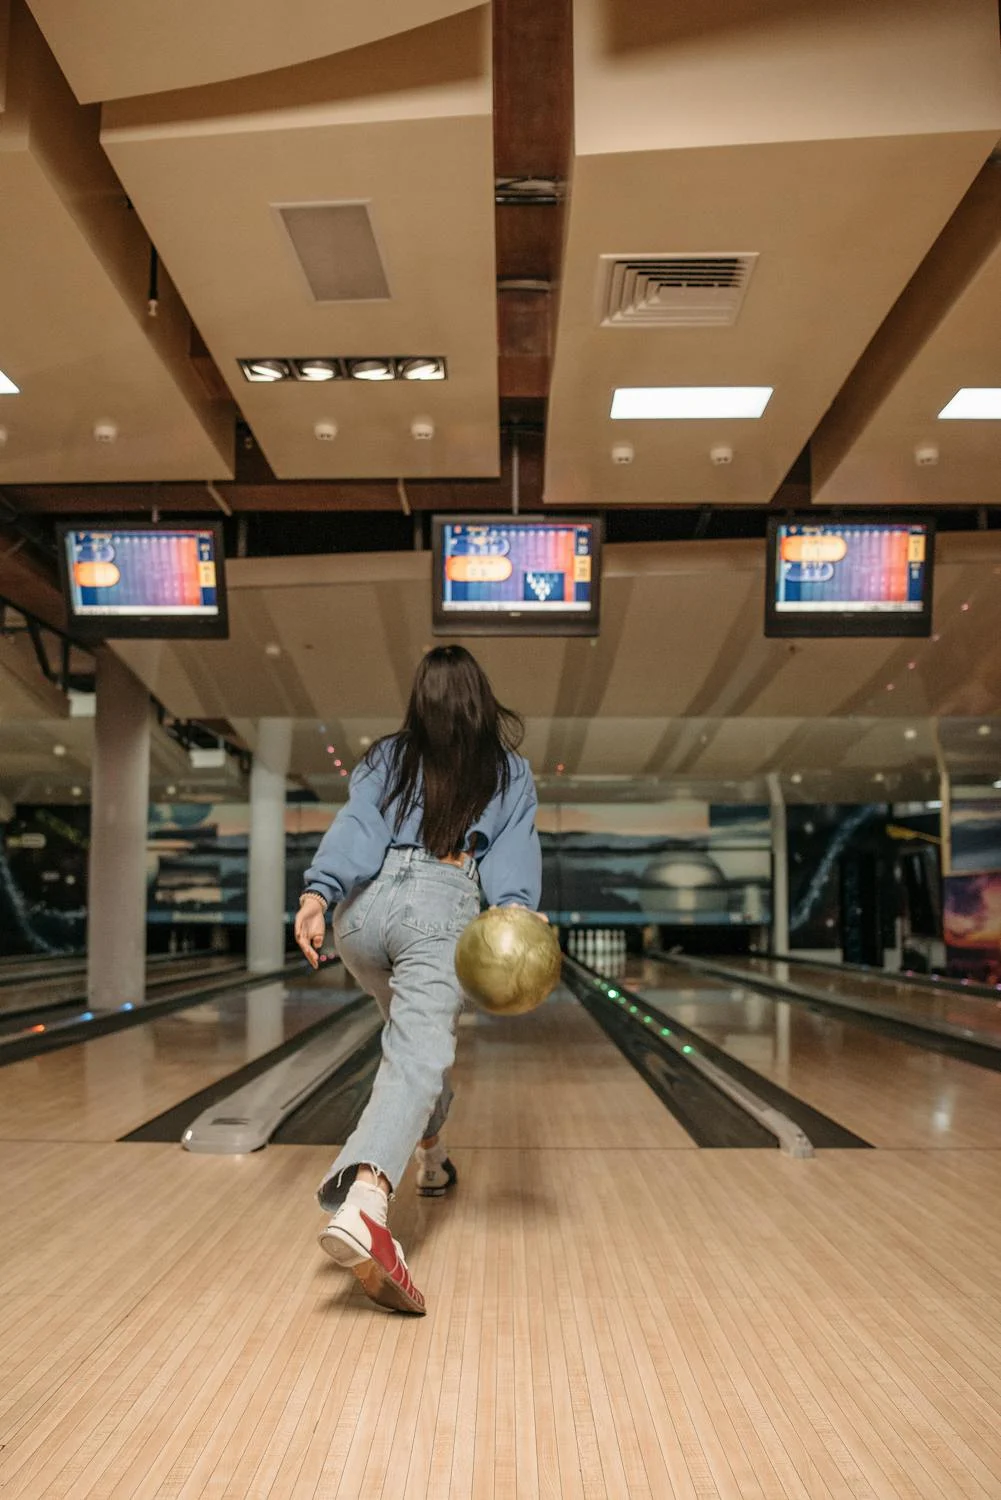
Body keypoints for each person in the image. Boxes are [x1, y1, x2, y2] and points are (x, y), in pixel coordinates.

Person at [295, 645, 543, 1315]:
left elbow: (357, 826)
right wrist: (516, 919)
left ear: (421, 703)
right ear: (480, 701)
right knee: (418, 1056)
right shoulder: (507, 770)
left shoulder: (386, 757)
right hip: (437, 910)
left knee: (413, 1051)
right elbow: (512, 867)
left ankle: (432, 1159)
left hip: (361, 916)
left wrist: (317, 895)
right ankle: (368, 1202)